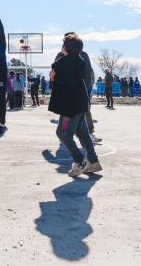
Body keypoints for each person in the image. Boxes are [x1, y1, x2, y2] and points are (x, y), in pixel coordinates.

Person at [49, 33, 101, 177]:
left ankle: (80, 161)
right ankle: (94, 161)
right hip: (80, 102)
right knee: (82, 133)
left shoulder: (65, 63)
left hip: (70, 105)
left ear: (64, 47)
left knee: (63, 133)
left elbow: (67, 83)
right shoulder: (78, 60)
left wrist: (54, 77)